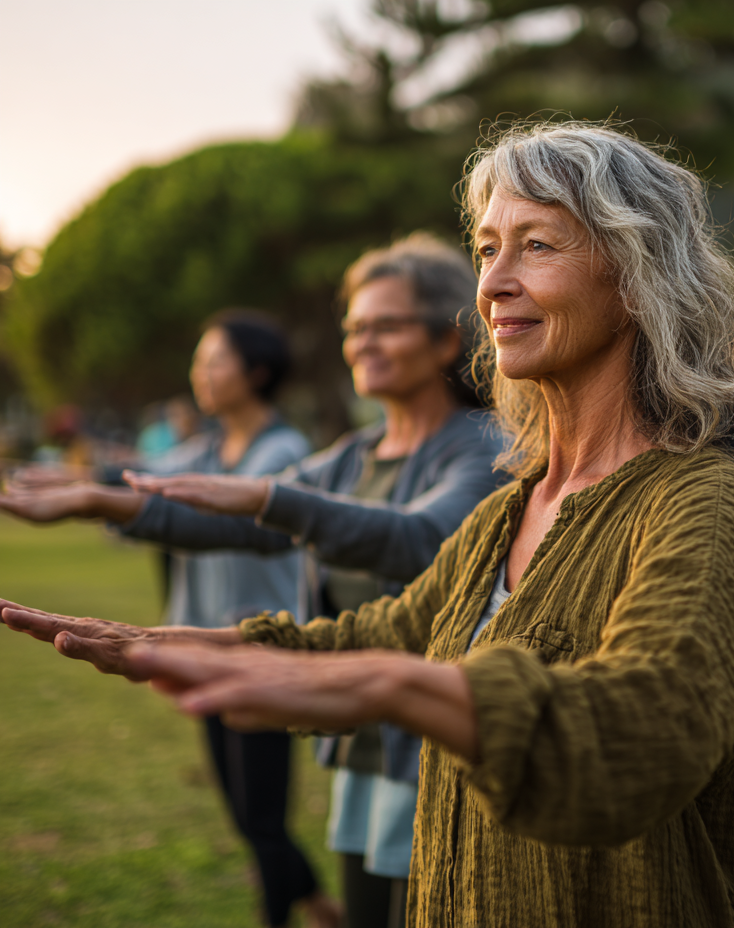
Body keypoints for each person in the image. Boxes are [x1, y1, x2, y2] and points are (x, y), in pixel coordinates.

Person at [1, 121, 734, 928]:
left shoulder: (704, 503)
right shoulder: (505, 514)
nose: (493, 284)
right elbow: (383, 634)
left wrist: (394, 685)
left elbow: (649, 732)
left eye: (537, 245)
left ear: (637, 275)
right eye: (487, 250)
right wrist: (173, 645)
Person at [119, 233, 507, 928]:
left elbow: (421, 540)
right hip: (364, 738)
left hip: (441, 742)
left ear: (446, 342)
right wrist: (101, 502)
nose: (362, 343)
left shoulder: (483, 446)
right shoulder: (353, 455)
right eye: (355, 328)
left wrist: (271, 497)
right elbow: (239, 522)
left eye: (386, 326)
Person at [0, 312, 339, 928]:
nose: (199, 373)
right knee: (244, 814)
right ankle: (320, 906)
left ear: (257, 372)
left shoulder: (282, 452)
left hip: (256, 647)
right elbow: (142, 478)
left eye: (215, 361)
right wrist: (77, 480)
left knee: (261, 817)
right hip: (194, 646)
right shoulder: (206, 449)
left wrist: (94, 496)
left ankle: (294, 912)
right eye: (198, 360)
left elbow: (217, 518)